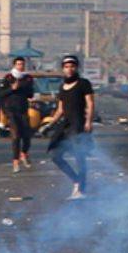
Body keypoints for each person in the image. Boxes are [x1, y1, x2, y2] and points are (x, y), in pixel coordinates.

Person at [48, 55, 95, 199]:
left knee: (79, 157)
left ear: (76, 67)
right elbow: (61, 109)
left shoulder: (83, 83)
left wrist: (88, 121)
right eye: (67, 67)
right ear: (63, 68)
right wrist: (50, 123)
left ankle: (81, 189)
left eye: (72, 66)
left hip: (78, 124)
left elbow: (90, 103)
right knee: (55, 155)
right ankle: (75, 180)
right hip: (66, 125)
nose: (69, 69)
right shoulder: (62, 86)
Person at [2, 57, 35, 172]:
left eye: (22, 64)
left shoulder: (28, 78)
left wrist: (23, 88)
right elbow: (1, 94)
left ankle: (24, 153)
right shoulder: (8, 78)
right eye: (18, 64)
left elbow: (31, 94)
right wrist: (12, 88)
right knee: (16, 136)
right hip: (11, 110)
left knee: (27, 135)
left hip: (23, 109)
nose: (21, 66)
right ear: (14, 65)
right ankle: (15, 161)